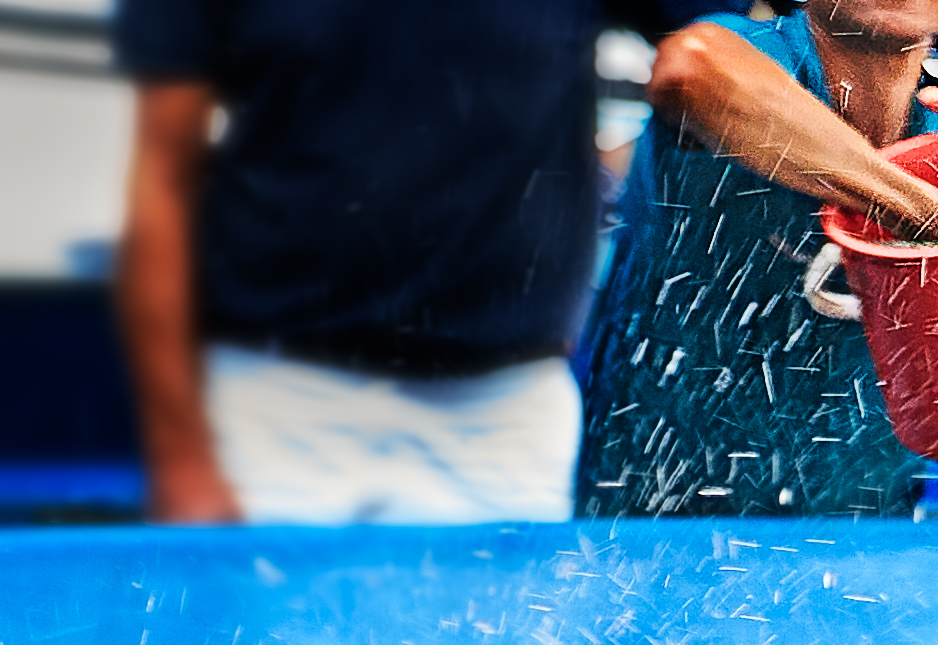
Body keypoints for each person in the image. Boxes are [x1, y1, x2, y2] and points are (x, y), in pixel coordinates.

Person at [113, 2, 705, 525]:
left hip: (502, 412)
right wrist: (180, 459)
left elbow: (720, 46)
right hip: (274, 400)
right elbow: (162, 179)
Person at [575, 0, 938, 519]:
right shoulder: (750, 55)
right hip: (649, 544)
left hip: (859, 550)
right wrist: (926, 217)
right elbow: (688, 66)